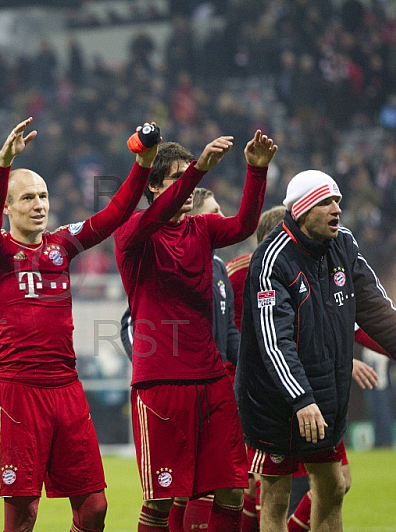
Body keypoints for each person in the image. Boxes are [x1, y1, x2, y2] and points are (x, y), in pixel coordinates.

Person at [0, 117, 159, 532]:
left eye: (43, 196)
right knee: (23, 516)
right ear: (8, 206)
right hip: (19, 392)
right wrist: (3, 165)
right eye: (27, 199)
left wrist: (143, 164)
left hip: (67, 390)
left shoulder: (60, 245)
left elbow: (114, 214)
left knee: (94, 508)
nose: (38, 205)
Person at [236, 169, 396, 531]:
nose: (337, 210)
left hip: (325, 395)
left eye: (338, 202)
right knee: (276, 496)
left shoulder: (343, 244)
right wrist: (300, 398)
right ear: (301, 210)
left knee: (332, 487)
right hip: (274, 403)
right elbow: (274, 340)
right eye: (326, 202)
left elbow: (377, 308)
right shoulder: (271, 261)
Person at [114, 130, 278, 531]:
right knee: (163, 499)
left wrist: (256, 171)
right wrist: (200, 168)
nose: (190, 187)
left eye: (192, 177)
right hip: (162, 383)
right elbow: (153, 215)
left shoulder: (201, 230)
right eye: (177, 178)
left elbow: (243, 226)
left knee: (231, 491)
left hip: (211, 377)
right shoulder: (133, 231)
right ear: (153, 185)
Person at [118, 186, 240, 532]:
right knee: (170, 491)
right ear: (192, 216)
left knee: (222, 487)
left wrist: (246, 369)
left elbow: (229, 330)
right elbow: (130, 323)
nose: (219, 219)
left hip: (213, 383)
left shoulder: (219, 270)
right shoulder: (160, 256)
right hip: (169, 383)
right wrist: (148, 362)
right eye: (212, 212)